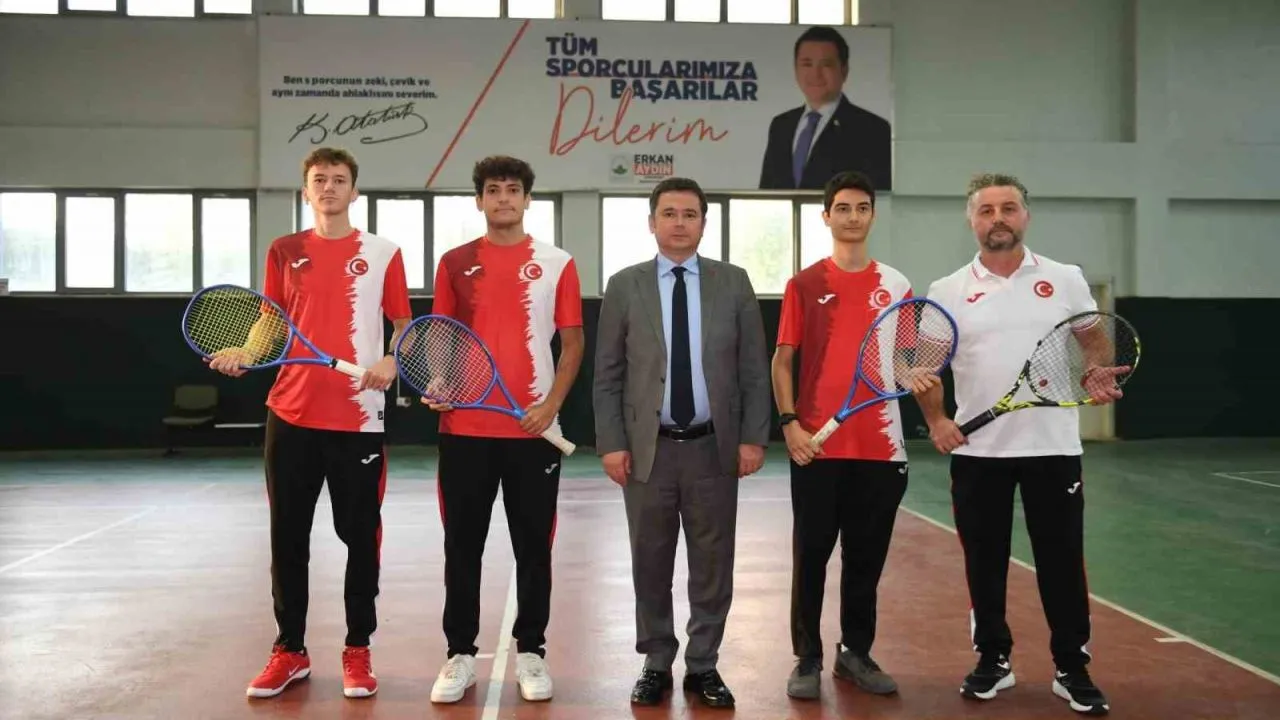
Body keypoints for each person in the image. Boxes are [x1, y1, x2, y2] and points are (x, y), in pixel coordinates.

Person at [913, 173, 1125, 716]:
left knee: (1062, 560)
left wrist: (1096, 369)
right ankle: (993, 659)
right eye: (986, 210)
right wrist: (936, 421)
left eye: (1008, 208)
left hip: (1053, 448)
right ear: (971, 220)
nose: (998, 218)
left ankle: (1072, 667)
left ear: (1025, 216)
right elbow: (926, 368)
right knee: (984, 564)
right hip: (977, 453)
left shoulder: (1065, 278)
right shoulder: (947, 289)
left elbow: (1093, 337)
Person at [209, 147, 412, 700]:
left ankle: (358, 647)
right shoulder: (285, 250)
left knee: (360, 539)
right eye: (319, 179)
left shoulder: (383, 254)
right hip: (291, 414)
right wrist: (247, 352)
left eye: (339, 179)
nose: (328, 187)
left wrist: (391, 360)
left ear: (354, 191)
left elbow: (403, 326)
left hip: (357, 418)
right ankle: (290, 650)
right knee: (287, 536)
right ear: (306, 191)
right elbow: (269, 323)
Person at [592, 176, 772, 709]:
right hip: (647, 450)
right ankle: (655, 661)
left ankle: (703, 664)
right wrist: (611, 442)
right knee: (649, 559)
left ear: (703, 223)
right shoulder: (625, 285)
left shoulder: (733, 283)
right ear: (652, 222)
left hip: (714, 448)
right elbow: (607, 374)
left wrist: (752, 438)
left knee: (713, 561)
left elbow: (753, 368)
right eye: (668, 213)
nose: (679, 223)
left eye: (689, 214)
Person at [423, 155, 584, 705]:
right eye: (493, 190)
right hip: (464, 429)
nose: (504, 199)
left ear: (527, 199)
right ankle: (459, 655)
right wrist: (440, 378)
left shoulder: (557, 263)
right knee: (462, 546)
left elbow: (573, 343)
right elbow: (441, 334)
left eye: (513, 190)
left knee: (533, 548)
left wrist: (550, 405)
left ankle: (532, 651)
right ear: (480, 201)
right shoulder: (455, 262)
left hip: (533, 432)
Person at [770, 170, 910, 700]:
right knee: (811, 557)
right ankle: (806, 657)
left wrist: (916, 376)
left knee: (865, 560)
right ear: (826, 216)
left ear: (873, 214)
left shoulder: (897, 286)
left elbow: (903, 359)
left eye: (862, 208)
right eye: (843, 208)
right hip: (817, 448)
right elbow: (783, 360)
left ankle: (855, 653)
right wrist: (791, 423)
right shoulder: (804, 284)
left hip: (882, 450)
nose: (853, 217)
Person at [759, 26, 892, 191]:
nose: (815, 74)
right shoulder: (781, 125)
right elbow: (766, 192)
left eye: (826, 65)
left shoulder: (872, 129)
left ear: (844, 71)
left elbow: (876, 196)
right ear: (795, 69)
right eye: (807, 64)